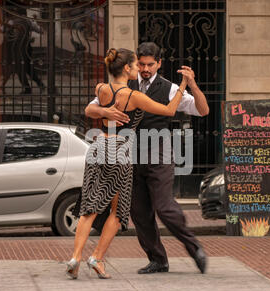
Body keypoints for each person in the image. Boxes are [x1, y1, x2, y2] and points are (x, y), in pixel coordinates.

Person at [85, 42, 210, 274]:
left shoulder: (170, 88)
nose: (145, 69)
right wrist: (105, 111)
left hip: (159, 152)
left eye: (150, 65)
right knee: (139, 212)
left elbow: (202, 110)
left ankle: (194, 248)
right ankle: (158, 260)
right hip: (128, 155)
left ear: (159, 64)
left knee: (164, 207)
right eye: (141, 64)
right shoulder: (123, 84)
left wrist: (191, 84)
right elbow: (91, 109)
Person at [65, 47, 189, 279]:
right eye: (135, 65)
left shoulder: (101, 88)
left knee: (89, 206)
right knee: (119, 211)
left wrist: (104, 111)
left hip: (98, 146)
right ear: (126, 68)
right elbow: (169, 110)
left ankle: (75, 257)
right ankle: (97, 258)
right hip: (120, 150)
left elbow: (89, 109)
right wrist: (183, 85)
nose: (139, 69)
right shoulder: (134, 96)